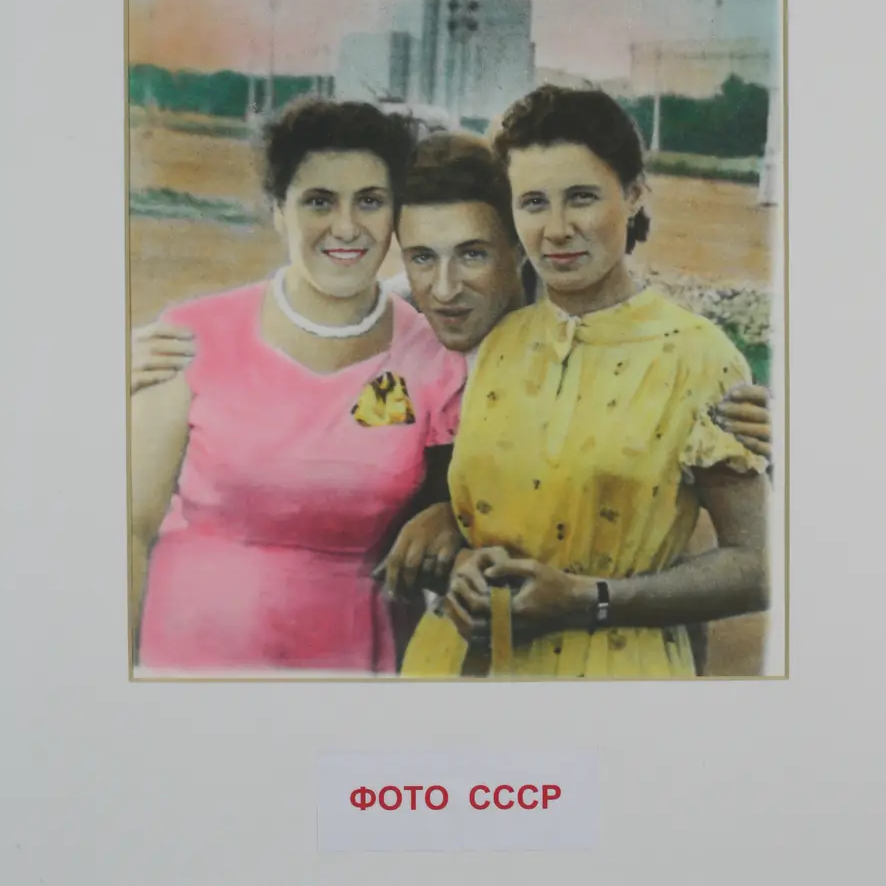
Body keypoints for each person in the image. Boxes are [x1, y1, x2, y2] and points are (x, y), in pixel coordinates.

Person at [132, 131, 773, 651]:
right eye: (420, 257)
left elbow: (696, 541)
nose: (443, 289)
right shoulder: (404, 334)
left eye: (473, 255)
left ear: (518, 249)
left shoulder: (603, 337)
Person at [399, 87, 771, 679]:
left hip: (611, 678)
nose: (556, 229)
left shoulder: (700, 358)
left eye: (582, 198)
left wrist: (591, 599)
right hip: (455, 664)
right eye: (533, 203)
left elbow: (759, 567)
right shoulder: (498, 339)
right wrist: (464, 557)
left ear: (633, 195)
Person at [129, 98, 467, 675]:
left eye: (370, 201)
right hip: (187, 665)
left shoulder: (435, 358)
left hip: (350, 669)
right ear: (278, 211)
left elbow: (457, 513)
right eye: (318, 201)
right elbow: (130, 529)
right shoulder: (191, 335)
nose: (345, 226)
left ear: (396, 215)